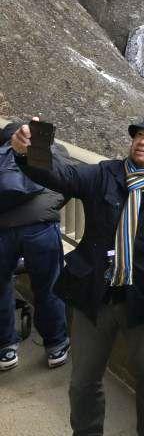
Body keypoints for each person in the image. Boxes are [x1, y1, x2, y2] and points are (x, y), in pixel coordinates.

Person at [7, 110, 144, 436]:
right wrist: (29, 151)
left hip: (142, 300)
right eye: (139, 134)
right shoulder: (105, 174)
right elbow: (62, 174)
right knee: (83, 380)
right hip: (93, 294)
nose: (143, 141)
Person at [0, 121, 68, 372]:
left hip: (2, 232)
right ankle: (56, 346)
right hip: (40, 229)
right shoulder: (51, 152)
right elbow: (66, 184)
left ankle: (5, 349)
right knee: (49, 286)